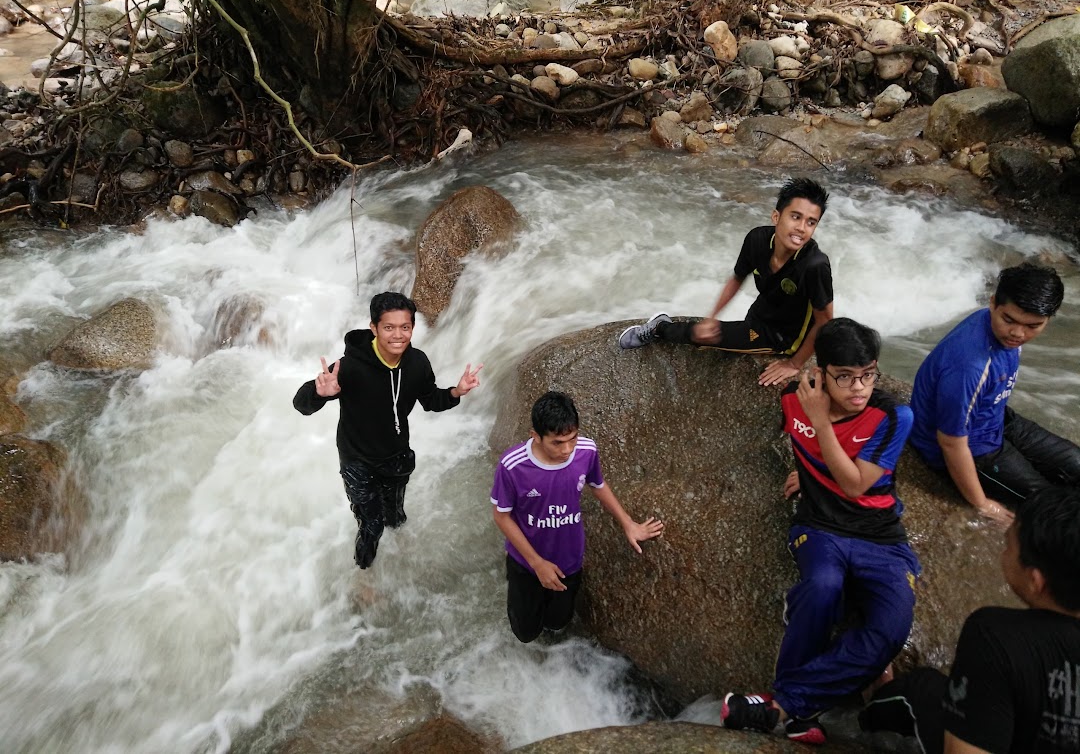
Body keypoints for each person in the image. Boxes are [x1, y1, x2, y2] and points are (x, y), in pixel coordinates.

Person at [721, 318, 919, 745]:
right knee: (822, 587)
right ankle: (796, 712)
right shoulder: (793, 397)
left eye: (868, 374)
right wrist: (804, 470)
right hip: (819, 527)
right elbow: (778, 440)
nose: (859, 388)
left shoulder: (893, 415)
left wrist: (821, 429)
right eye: (845, 377)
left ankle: (783, 706)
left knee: (892, 628)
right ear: (822, 373)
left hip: (881, 537)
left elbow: (854, 483)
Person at [859, 485, 1080, 754]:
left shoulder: (996, 636)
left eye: (1009, 545)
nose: (1004, 550)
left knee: (917, 689)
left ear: (1036, 582)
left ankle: (871, 706)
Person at [293, 291, 482, 569]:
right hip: (357, 460)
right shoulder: (350, 367)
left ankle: (397, 552)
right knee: (372, 524)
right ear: (374, 328)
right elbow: (301, 404)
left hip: (396, 456)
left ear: (413, 328)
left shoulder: (417, 362)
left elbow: (431, 400)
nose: (398, 335)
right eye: (389, 327)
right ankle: (365, 572)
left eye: (405, 327)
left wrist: (457, 391)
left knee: (395, 516)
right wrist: (321, 394)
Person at [909, 263, 1080, 528]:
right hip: (972, 446)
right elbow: (951, 443)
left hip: (996, 417)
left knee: (1075, 463)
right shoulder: (970, 366)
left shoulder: (1001, 330)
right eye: (1009, 320)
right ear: (992, 303)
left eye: (1033, 325)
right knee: (1052, 507)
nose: (1018, 334)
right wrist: (981, 503)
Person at [618, 177, 833, 386]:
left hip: (783, 337)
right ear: (776, 217)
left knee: (708, 338)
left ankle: (660, 328)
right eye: (795, 217)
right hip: (761, 312)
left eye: (811, 222)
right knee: (713, 331)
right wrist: (712, 317)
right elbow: (737, 279)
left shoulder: (814, 265)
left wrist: (795, 364)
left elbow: (825, 321)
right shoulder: (757, 239)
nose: (802, 228)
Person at [490, 391, 664, 643]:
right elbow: (502, 516)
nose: (567, 449)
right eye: (557, 443)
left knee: (558, 622)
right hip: (526, 565)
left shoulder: (586, 451)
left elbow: (598, 484)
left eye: (572, 438)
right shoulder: (513, 465)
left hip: (569, 560)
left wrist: (628, 524)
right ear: (535, 436)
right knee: (525, 632)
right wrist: (537, 564)